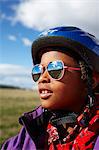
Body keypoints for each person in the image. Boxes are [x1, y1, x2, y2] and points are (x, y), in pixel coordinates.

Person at [1, 26, 99, 150]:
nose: (42, 78)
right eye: (38, 70)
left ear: (90, 80)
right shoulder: (31, 133)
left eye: (55, 68)